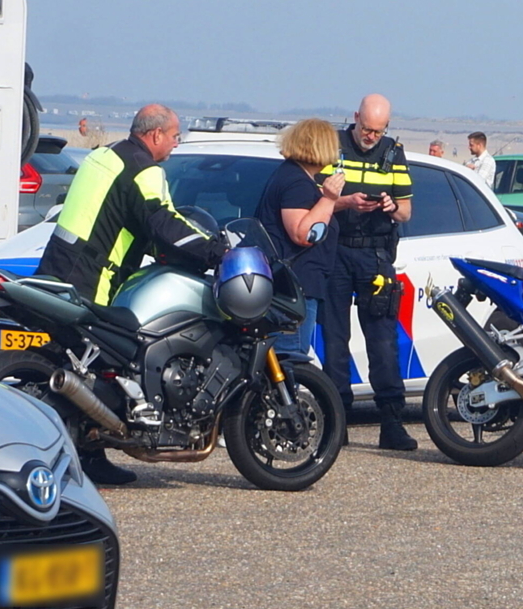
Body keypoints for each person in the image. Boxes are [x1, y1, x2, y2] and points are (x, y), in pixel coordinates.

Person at [37, 103, 226, 485]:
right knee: (101, 365)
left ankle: (79, 452)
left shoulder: (103, 157)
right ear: (155, 135)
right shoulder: (144, 169)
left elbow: (126, 216)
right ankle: (88, 457)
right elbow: (162, 221)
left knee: (73, 362)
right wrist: (215, 251)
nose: (175, 145)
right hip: (91, 282)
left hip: (56, 269)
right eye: (174, 137)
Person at [319, 94, 417, 451]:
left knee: (383, 341)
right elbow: (315, 196)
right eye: (366, 128)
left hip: (375, 255)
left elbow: (406, 212)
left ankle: (391, 423)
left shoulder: (393, 153)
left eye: (378, 131)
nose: (371, 137)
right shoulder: (333, 146)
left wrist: (391, 206)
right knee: (334, 340)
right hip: (336, 251)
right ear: (355, 117)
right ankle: (337, 423)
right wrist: (345, 202)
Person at [255, 119, 343, 354]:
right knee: (290, 360)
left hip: (289, 285)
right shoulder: (297, 183)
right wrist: (329, 199)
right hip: (293, 290)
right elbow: (303, 234)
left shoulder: (294, 177)